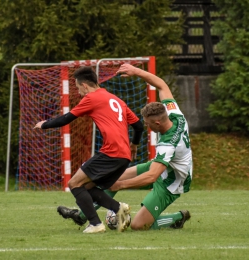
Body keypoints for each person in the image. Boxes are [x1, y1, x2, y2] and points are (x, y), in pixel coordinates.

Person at [59, 63, 192, 231]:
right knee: (114, 177)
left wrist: (120, 186)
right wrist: (135, 71)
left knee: (138, 225)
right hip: (160, 165)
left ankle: (177, 218)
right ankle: (83, 215)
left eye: (148, 124)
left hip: (171, 181)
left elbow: (152, 177)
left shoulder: (168, 144)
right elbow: (161, 84)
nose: (146, 126)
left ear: (157, 122)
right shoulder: (174, 113)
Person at [34, 66, 144, 233]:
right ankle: (118, 208)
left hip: (111, 152)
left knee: (74, 183)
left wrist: (44, 125)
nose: (79, 93)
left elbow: (66, 118)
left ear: (85, 85)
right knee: (86, 187)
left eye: (78, 89)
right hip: (124, 156)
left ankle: (95, 224)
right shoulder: (117, 100)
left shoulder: (92, 97)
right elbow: (138, 125)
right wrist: (134, 145)